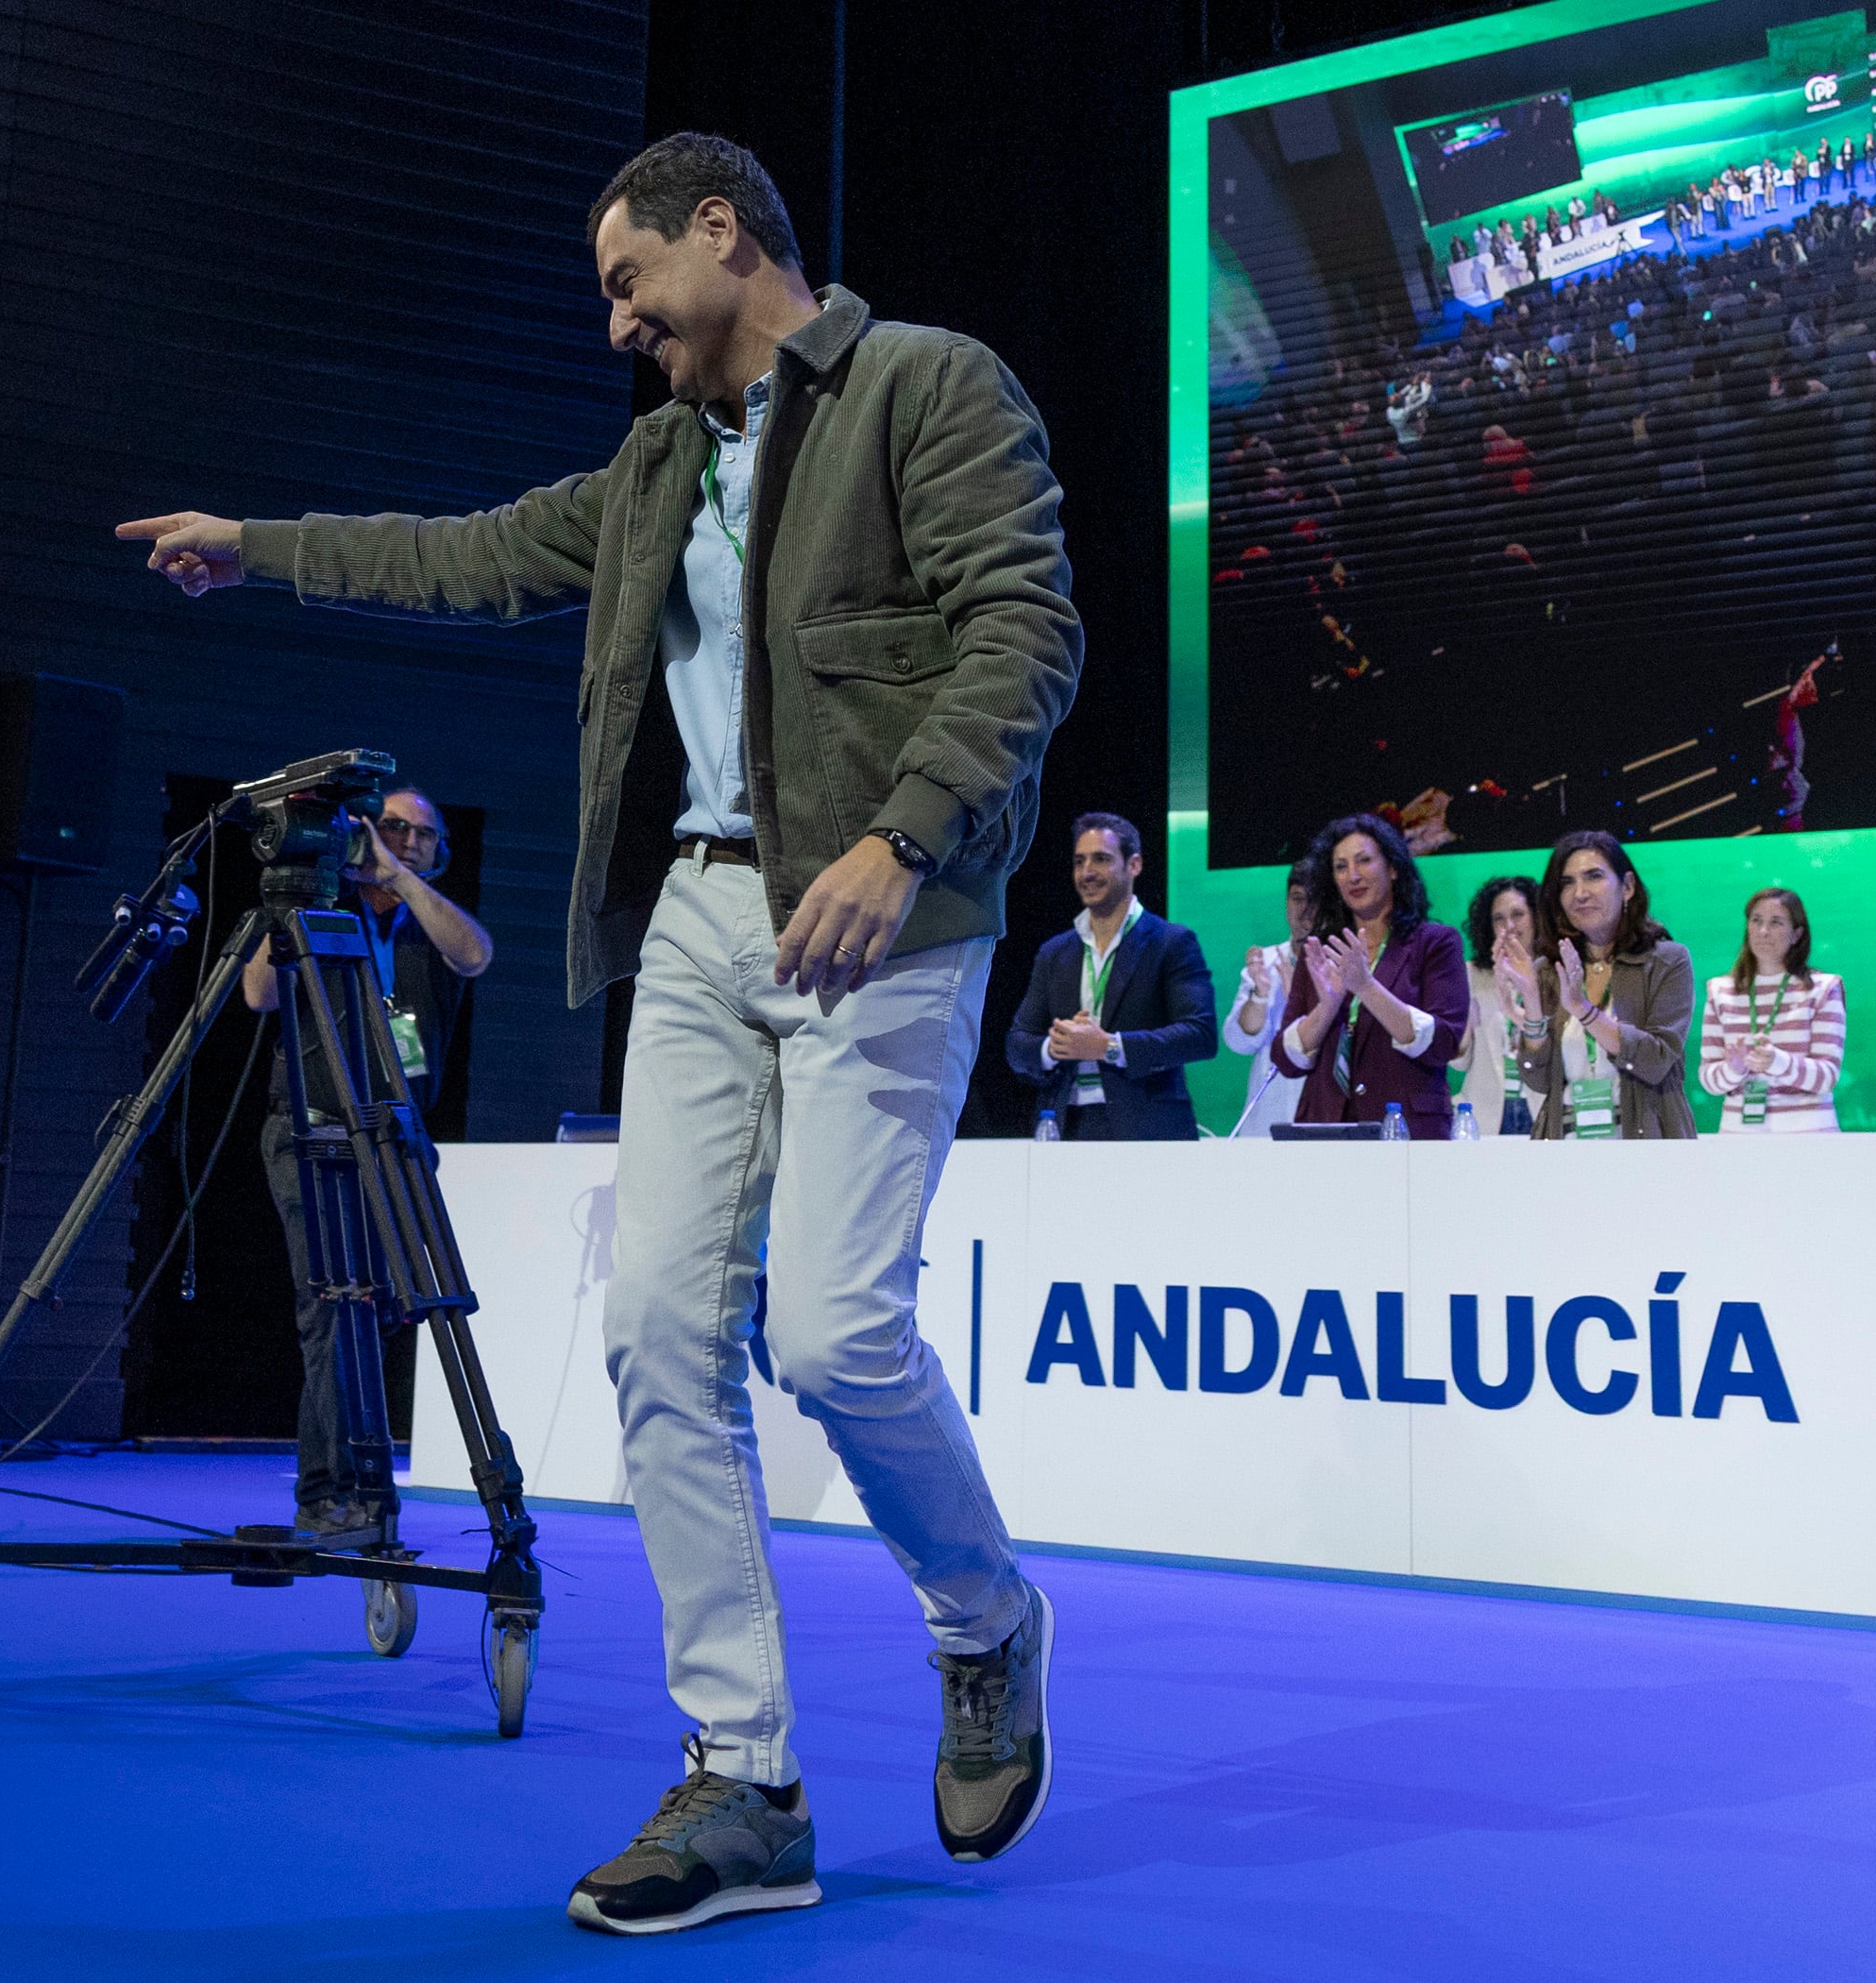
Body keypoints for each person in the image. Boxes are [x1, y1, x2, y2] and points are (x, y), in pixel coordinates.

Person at [119, 131, 1078, 1930]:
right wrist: (257, 549)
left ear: (725, 233)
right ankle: (744, 1783)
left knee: (837, 1331)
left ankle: (988, 1619)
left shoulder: (925, 383)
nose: (622, 322)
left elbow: (1027, 634)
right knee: (654, 1334)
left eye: (632, 281)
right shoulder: (651, 469)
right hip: (707, 917)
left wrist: (900, 834)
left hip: (888, 905)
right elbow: (466, 553)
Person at [244, 784, 492, 1533]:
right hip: (310, 1128)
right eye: (390, 827)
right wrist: (304, 893)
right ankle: (331, 1492)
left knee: (383, 1304)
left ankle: (354, 1481)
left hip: (395, 1134)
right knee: (331, 1306)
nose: (405, 840)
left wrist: (398, 876)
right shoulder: (318, 910)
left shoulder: (427, 921)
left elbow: (475, 955)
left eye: (422, 835)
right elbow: (257, 992)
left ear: (438, 853)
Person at [1004, 813, 1216, 1139]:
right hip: (1065, 1126)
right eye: (1079, 861)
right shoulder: (1054, 952)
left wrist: (1108, 1047)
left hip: (1148, 1128)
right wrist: (1056, 1047)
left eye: (1101, 859)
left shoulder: (1172, 942)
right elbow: (1017, 1045)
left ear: (1134, 865)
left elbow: (1200, 1035)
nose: (1087, 872)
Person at [1270, 813, 1469, 1137]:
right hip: (1325, 1129)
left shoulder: (1435, 943)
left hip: (1407, 1131)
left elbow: (1444, 1043)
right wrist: (1328, 1007)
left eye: (1364, 861)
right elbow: (1286, 1061)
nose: (1353, 875)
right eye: (1341, 866)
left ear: (1392, 868)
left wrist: (1366, 987)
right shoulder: (1320, 950)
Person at [1513, 832, 1698, 1139]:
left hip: (1645, 1142)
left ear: (1627, 887)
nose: (1579, 893)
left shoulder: (1667, 960)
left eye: (1593, 877)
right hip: (1567, 1143)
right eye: (1567, 883)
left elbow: (1657, 1060)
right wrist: (1531, 1004)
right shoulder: (1550, 967)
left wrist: (1583, 1011)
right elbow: (1539, 1081)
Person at [1695, 888, 1846, 1132]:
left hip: (1809, 1136)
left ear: (1796, 934)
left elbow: (1827, 1076)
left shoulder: (1823, 988)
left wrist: (1777, 1061)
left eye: (1776, 923)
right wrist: (1733, 1068)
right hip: (1738, 1136)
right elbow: (1709, 1080)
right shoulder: (1720, 990)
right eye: (1756, 921)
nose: (1763, 931)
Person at [1224, 861, 1317, 1138]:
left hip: (1325, 1114)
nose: (1305, 910)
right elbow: (1238, 1042)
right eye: (1297, 898)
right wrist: (1260, 995)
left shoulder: (1345, 962)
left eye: (1314, 899)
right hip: (1267, 1120)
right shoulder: (1264, 961)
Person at [1455, 873, 1543, 1135]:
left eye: (1518, 914)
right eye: (1498, 918)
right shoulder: (1470, 975)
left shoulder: (1553, 974)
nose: (1509, 926)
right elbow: (1458, 1063)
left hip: (1542, 1107)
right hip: (1485, 1115)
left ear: (1537, 918)